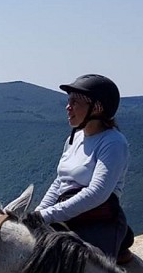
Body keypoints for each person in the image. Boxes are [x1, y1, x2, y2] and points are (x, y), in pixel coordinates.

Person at [30, 74, 130, 261]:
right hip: (68, 215)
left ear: (97, 107)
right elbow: (60, 181)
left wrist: (47, 215)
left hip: (98, 223)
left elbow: (97, 193)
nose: (68, 107)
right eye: (69, 101)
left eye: (75, 102)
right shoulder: (74, 138)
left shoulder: (114, 142)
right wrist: (38, 214)